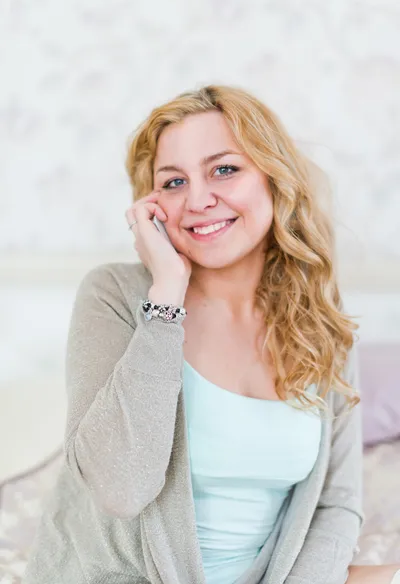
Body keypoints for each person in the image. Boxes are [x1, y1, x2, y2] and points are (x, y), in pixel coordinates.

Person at [23, 85, 400, 584]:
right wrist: (166, 297)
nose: (198, 199)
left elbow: (337, 504)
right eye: (173, 181)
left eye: (225, 169)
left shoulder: (319, 322)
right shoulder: (116, 294)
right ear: (152, 204)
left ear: (274, 179)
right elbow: (120, 489)